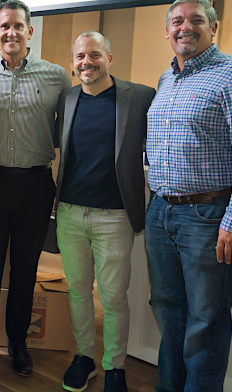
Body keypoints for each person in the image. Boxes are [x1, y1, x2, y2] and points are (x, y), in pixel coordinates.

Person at [145, 0, 232, 391]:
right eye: (178, 21)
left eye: (196, 20)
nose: (186, 27)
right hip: (162, 212)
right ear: (168, 31)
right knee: (169, 315)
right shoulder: (166, 79)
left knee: (206, 322)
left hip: (208, 218)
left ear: (213, 27)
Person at [0, 0, 72, 378]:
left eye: (18, 26)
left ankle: (18, 343)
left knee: (25, 270)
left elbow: (72, 130)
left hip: (36, 184)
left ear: (30, 31)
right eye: (4, 26)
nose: (11, 33)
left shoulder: (56, 76)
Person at [56, 31, 155, 392]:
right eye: (80, 56)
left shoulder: (141, 97)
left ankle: (115, 366)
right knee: (78, 292)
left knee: (113, 297)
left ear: (109, 58)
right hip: (69, 212)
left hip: (115, 216)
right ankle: (85, 357)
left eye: (94, 55)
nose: (87, 62)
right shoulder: (66, 99)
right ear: (73, 62)